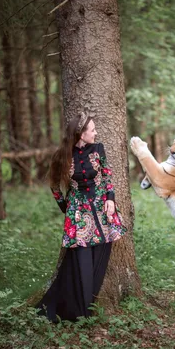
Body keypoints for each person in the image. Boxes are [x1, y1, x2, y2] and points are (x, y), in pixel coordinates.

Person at [36, 112, 127, 322]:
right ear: (81, 133)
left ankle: (88, 308)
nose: (95, 133)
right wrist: (65, 207)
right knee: (81, 262)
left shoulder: (98, 149)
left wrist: (111, 198)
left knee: (101, 257)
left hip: (102, 210)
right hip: (78, 213)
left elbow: (107, 175)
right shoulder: (62, 155)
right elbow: (54, 186)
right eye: (92, 130)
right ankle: (78, 313)